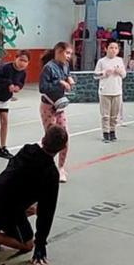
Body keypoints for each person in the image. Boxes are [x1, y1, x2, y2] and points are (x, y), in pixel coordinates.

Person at [0, 125, 69, 265]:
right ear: (62, 148)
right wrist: (40, 244)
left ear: (43, 139)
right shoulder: (51, 174)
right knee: (28, 245)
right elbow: (47, 213)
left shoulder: (27, 149)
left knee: (34, 208)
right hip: (6, 209)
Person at [39, 41, 75, 183]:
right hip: (48, 106)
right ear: (59, 52)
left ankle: (61, 167)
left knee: (64, 136)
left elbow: (67, 76)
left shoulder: (65, 66)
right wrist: (59, 83)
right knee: (50, 139)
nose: (69, 56)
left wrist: (69, 79)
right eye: (67, 53)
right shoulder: (48, 68)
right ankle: (44, 166)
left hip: (60, 107)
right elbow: (43, 87)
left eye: (70, 54)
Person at [0, 51, 30, 159]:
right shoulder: (6, 68)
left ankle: (3, 148)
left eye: (25, 61)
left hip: (4, 98)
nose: (22, 63)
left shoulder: (23, 73)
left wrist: (18, 88)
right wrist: (8, 84)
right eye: (21, 59)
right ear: (16, 58)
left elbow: (21, 83)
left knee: (4, 121)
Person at [95, 41, 126, 142]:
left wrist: (120, 71)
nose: (113, 50)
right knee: (105, 115)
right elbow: (95, 75)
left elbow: (124, 75)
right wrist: (104, 73)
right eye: (111, 47)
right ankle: (105, 132)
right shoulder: (101, 61)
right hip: (105, 92)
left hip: (117, 91)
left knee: (114, 115)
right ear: (106, 49)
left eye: (116, 48)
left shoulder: (120, 60)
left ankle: (113, 131)